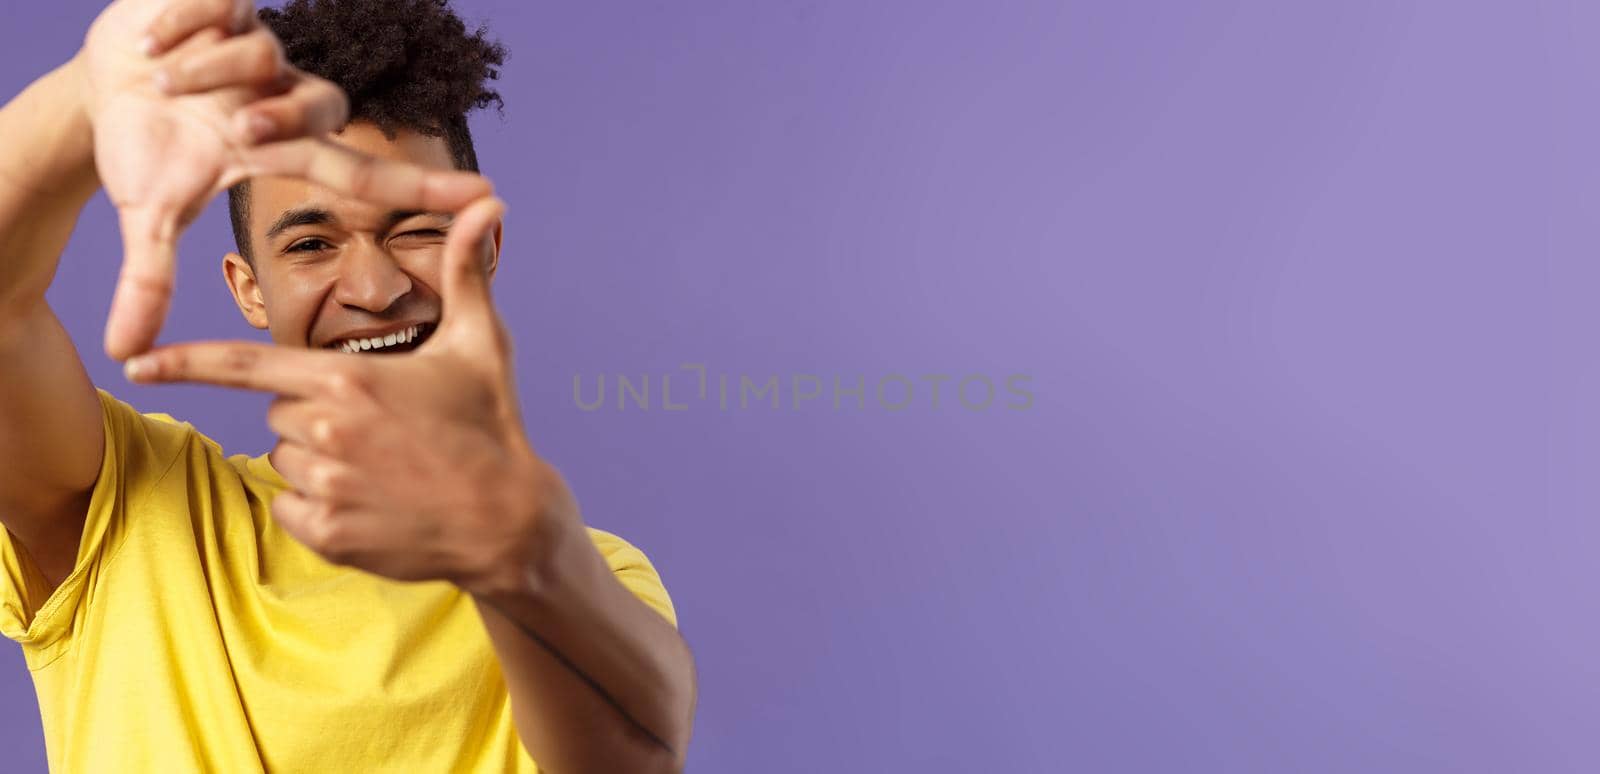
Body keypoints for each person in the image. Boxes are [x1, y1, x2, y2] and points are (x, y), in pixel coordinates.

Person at [0, 0, 697, 770]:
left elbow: (636, 755)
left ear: (485, 248)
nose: (373, 285)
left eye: (418, 228)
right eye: (310, 243)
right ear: (248, 288)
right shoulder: (127, 510)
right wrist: (79, 102)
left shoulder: (577, 575)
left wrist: (525, 561)